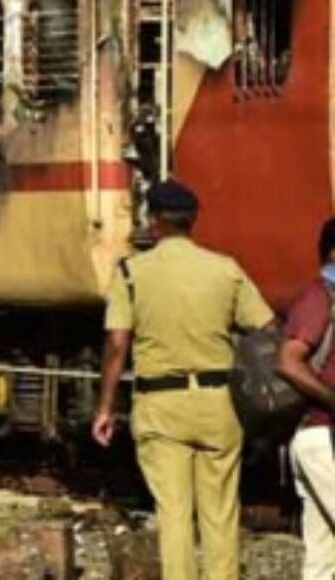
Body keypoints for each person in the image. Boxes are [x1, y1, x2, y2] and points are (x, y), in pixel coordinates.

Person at [92, 179, 274, 580]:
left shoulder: (131, 274)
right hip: (218, 405)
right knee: (221, 514)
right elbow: (266, 327)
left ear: (154, 222)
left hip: (161, 409)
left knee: (173, 515)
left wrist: (105, 407)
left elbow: (118, 344)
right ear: (192, 221)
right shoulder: (225, 269)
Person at [276, 217, 335, 580]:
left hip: (321, 438)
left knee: (323, 555)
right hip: (321, 437)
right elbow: (288, 361)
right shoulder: (319, 298)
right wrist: (332, 399)